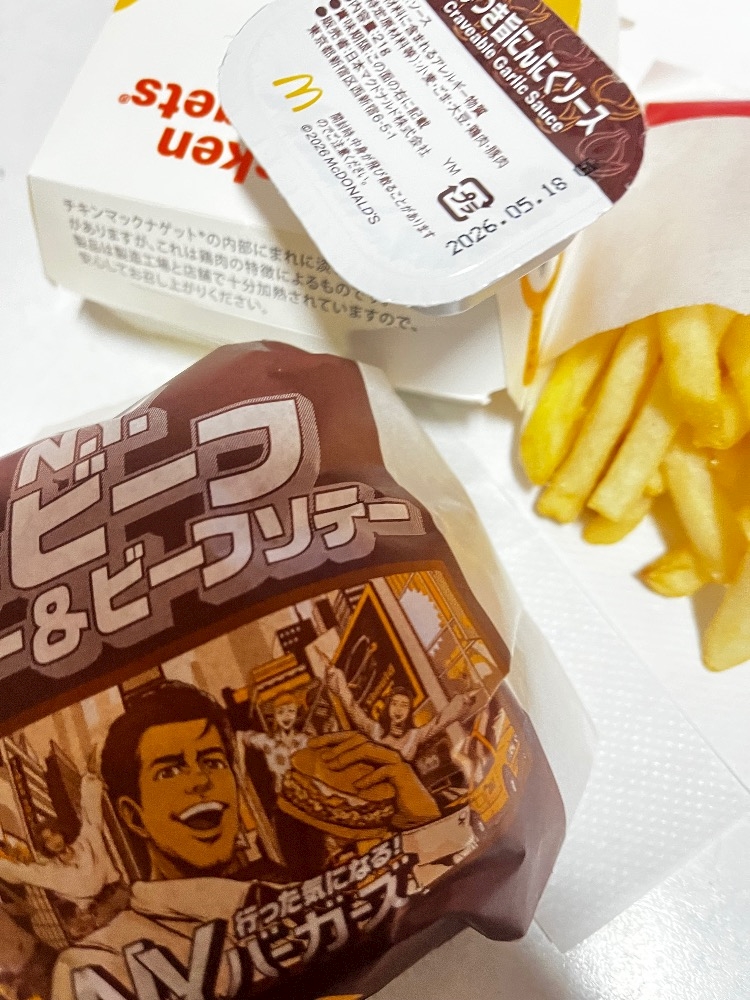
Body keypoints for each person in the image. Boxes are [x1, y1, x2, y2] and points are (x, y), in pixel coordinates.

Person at [51, 680, 438, 1000]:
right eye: (169, 771)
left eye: (212, 762)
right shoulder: (94, 968)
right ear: (134, 817)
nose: (201, 781)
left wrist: (426, 826)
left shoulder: (293, 887)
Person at [0, 772, 121, 921]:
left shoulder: (87, 840)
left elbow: (90, 814)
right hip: (99, 913)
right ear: (45, 847)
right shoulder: (53, 872)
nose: (54, 841)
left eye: (54, 833)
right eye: (47, 840)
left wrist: (89, 782)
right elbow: (24, 872)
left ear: (61, 833)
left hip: (118, 895)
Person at [325, 664, 482, 762]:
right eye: (394, 704)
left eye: (404, 705)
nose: (398, 710)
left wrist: (465, 699)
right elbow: (352, 707)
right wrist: (335, 676)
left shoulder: (414, 737)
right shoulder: (374, 730)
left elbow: (440, 721)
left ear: (409, 711)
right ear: (388, 708)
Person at [239, 692, 308, 793]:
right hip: (282, 793)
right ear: (275, 715)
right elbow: (240, 735)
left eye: (291, 711)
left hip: (306, 791)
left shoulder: (304, 740)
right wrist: (241, 769)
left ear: (296, 713)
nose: (286, 716)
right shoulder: (268, 742)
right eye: (280, 712)